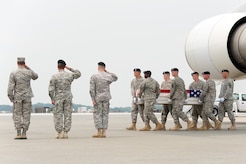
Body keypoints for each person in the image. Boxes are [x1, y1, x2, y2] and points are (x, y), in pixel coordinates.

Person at [48, 59, 81, 139]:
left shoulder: (54, 76)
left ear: (57, 66)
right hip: (68, 97)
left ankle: (59, 132)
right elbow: (78, 73)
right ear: (64, 66)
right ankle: (66, 132)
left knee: (58, 115)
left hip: (58, 98)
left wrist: (52, 98)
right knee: (67, 115)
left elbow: (51, 89)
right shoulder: (69, 75)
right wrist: (69, 68)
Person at [8, 57, 38, 139]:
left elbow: (11, 86)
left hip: (17, 96)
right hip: (27, 96)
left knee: (17, 114)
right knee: (26, 114)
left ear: (17, 63)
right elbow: (35, 77)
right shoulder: (28, 72)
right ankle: (24, 132)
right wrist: (29, 68)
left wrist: (10, 96)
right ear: (24, 63)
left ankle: (18, 133)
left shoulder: (13, 73)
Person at [90, 62, 118, 138]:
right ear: (104, 67)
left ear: (98, 67)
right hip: (106, 97)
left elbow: (92, 89)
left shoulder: (94, 76)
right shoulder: (108, 76)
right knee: (105, 114)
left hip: (98, 97)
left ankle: (99, 132)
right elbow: (116, 78)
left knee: (98, 114)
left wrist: (93, 99)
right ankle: (104, 132)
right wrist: (107, 72)